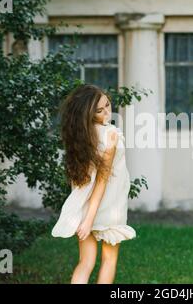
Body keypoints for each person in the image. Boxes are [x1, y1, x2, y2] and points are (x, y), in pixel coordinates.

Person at [51, 84, 136, 284]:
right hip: (108, 205)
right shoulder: (110, 135)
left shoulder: (81, 136)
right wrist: (89, 220)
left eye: (107, 105)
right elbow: (102, 179)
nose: (107, 111)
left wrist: (86, 216)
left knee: (85, 262)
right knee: (108, 260)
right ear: (88, 113)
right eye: (99, 110)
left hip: (84, 204)